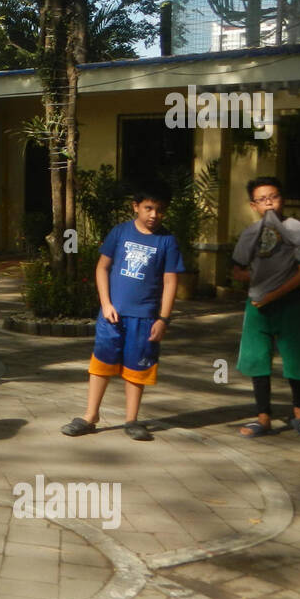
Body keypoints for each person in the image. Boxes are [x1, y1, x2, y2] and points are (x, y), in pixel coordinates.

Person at [61, 185, 184, 441]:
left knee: (137, 368)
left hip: (146, 318)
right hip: (112, 317)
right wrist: (106, 303)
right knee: (101, 364)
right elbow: (102, 268)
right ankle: (90, 416)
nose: (154, 215)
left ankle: (132, 420)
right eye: (148, 208)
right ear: (136, 207)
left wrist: (163, 319)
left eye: (160, 210)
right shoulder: (120, 232)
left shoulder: (167, 241)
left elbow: (171, 282)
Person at [231, 176, 300, 437]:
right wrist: (259, 282)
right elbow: (237, 270)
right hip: (258, 306)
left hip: (289, 304)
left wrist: (272, 293)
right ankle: (263, 417)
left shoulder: (298, 230)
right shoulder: (249, 234)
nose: (269, 202)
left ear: (283, 199)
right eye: (262, 199)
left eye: (274, 196)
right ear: (253, 205)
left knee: (295, 358)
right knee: (257, 359)